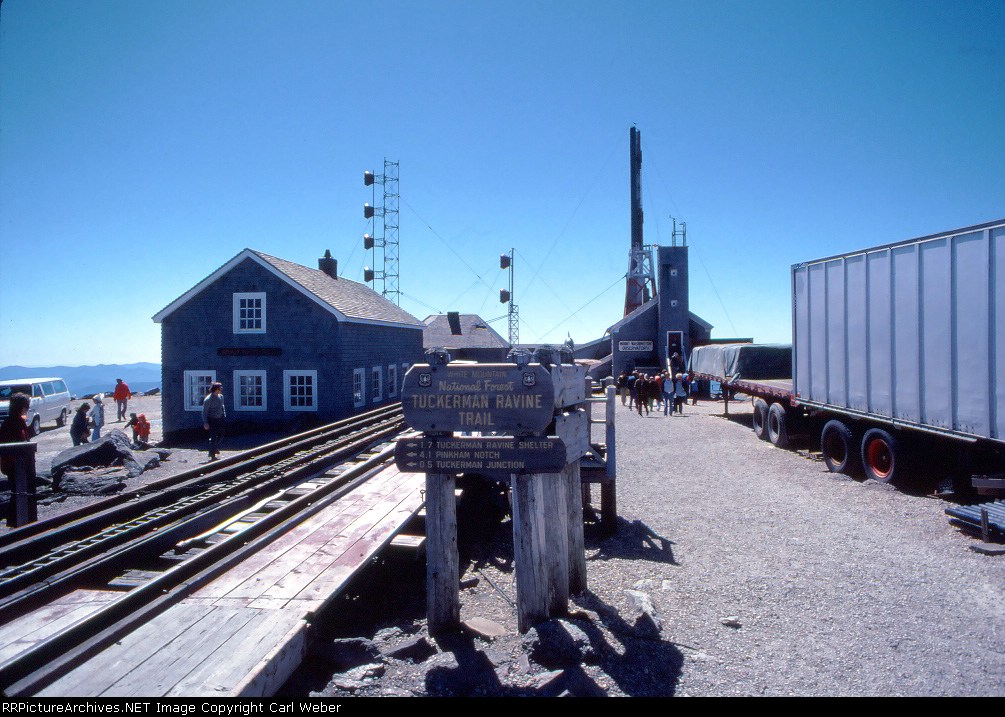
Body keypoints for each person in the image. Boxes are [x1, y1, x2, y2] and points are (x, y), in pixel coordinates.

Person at [0, 392, 31, 478]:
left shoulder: (10, 421)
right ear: (21, 407)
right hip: (16, 463)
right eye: (26, 406)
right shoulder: (14, 422)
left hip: (13, 463)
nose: (27, 409)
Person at [202, 382, 226, 460]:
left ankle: (213, 445)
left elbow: (222, 407)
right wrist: (205, 422)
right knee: (213, 437)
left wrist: (223, 415)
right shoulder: (208, 399)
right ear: (216, 389)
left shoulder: (221, 397)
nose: (221, 389)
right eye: (220, 388)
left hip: (220, 419)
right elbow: (204, 411)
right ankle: (212, 455)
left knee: (221, 435)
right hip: (212, 420)